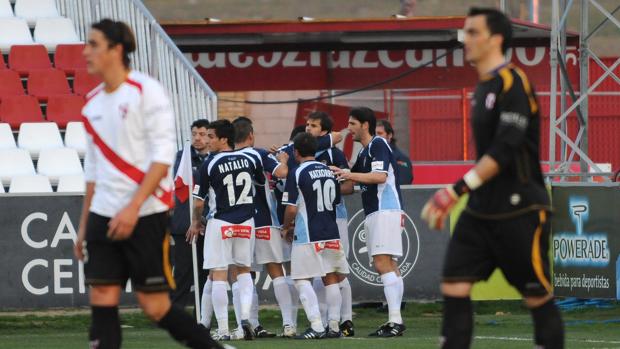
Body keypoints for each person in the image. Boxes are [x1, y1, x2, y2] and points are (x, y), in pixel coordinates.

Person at [74, 19, 223, 349]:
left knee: (155, 307)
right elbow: (93, 171)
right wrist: (84, 225)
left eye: (93, 44)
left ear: (116, 50)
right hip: (103, 213)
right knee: (101, 297)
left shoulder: (147, 92)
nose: (85, 51)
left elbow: (161, 160)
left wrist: (132, 208)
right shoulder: (91, 104)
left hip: (145, 214)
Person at [420, 8, 564, 349]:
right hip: (480, 211)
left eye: (472, 32)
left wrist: (455, 191)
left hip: (520, 209)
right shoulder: (482, 86)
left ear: (495, 38)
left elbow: (505, 149)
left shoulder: (514, 82)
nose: (464, 39)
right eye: (464, 32)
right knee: (454, 286)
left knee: (537, 298)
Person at [331, 107, 406, 337]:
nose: (349, 128)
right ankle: (395, 319)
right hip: (378, 211)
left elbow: (379, 177)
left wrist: (348, 174)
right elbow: (348, 185)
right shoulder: (364, 152)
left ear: (365, 125)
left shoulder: (378, 145)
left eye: (352, 123)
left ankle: (395, 320)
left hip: (385, 209)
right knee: (389, 264)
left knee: (382, 262)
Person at [189, 119, 265, 341]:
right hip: (247, 221)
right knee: (244, 270)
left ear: (224, 139)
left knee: (219, 274)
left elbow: (199, 202)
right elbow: (260, 182)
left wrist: (196, 221)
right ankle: (244, 322)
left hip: (221, 221)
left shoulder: (210, 164)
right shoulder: (251, 158)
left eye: (211, 137)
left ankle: (222, 329)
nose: (206, 141)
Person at [282, 132, 348, 339]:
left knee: (301, 278)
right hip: (331, 231)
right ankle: (334, 326)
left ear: (296, 152)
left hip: (308, 233)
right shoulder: (329, 170)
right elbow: (336, 201)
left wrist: (286, 227)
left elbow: (291, 208)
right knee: (331, 278)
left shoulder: (297, 172)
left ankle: (317, 325)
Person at [232, 116, 293, 337]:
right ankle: (288, 324)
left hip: (237, 223)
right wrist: (283, 160)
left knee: (243, 274)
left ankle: (249, 324)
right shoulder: (258, 154)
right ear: (251, 135)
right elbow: (282, 173)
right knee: (276, 271)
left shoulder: (224, 158)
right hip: (264, 221)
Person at [304, 112, 355, 337]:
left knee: (338, 270)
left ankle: (346, 319)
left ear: (324, 131)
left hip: (336, 217)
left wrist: (327, 188)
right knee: (317, 271)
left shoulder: (335, 154)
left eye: (313, 125)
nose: (308, 128)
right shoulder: (304, 154)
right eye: (307, 124)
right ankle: (324, 320)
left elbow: (349, 186)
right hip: (311, 220)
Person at [170, 119, 210, 309]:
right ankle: (174, 314)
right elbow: (182, 183)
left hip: (209, 223)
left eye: (202, 134)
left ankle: (203, 315)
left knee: (205, 272)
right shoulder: (183, 157)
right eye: (194, 133)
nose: (197, 138)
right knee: (183, 272)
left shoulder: (214, 158)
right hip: (184, 223)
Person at [376, 120, 413, 185]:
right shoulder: (369, 156)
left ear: (389, 135)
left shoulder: (401, 158)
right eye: (374, 134)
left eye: (379, 133)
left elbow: (403, 184)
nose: (376, 137)